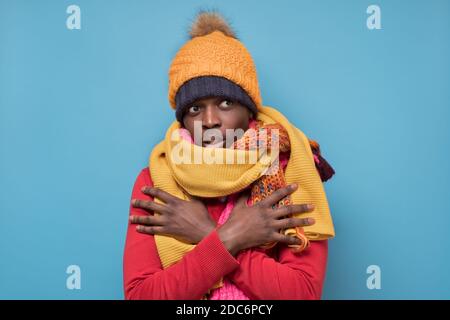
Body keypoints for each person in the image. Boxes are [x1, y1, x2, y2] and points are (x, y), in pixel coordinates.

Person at [123, 11, 335, 300]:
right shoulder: (157, 180)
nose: (210, 120)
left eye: (225, 102)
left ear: (249, 109)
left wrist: (206, 234)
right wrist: (231, 237)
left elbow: (302, 293)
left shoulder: (290, 170)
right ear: (183, 119)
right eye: (195, 108)